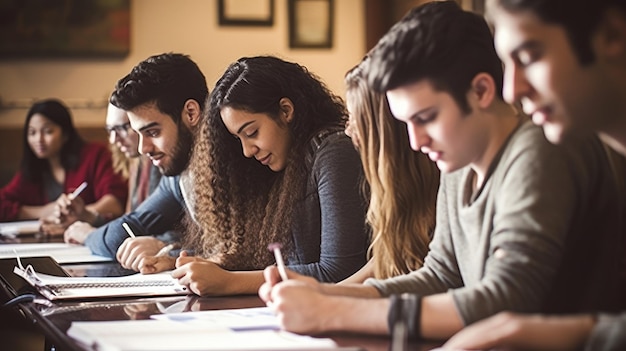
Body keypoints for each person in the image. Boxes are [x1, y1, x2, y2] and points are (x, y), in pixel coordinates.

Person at [258, 1, 623, 341]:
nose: (416, 142)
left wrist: (333, 311)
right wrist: (325, 292)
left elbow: (507, 298)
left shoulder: (540, 149)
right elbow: (441, 275)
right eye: (407, 124)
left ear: (481, 91)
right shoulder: (458, 164)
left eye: (427, 118)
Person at [442, 0, 626, 350]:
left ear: (612, 35)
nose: (513, 90)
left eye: (528, 57)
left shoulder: (542, 149)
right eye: (506, 64)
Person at [149, 55, 369, 296]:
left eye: (252, 132)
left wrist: (229, 282)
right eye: (238, 139)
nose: (247, 151)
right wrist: (202, 262)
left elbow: (339, 271)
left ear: (286, 110)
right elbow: (263, 255)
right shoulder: (279, 165)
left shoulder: (334, 152)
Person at [81, 52, 209, 270]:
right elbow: (126, 229)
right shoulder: (179, 175)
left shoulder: (239, 159)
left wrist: (166, 249)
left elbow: (248, 252)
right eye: (138, 134)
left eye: (153, 132)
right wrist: (88, 235)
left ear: (191, 113)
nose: (143, 148)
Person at [341, 57, 439, 283]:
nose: (348, 130)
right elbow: (380, 262)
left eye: (355, 119)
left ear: (383, 131)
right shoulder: (392, 187)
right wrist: (323, 294)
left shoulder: (442, 190)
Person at [0, 99, 127, 233]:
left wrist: (76, 216)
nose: (38, 140)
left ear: (65, 134)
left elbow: (114, 205)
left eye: (47, 131)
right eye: (32, 133)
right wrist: (44, 211)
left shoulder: (95, 155)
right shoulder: (33, 168)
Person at [64, 102, 162, 244]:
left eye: (122, 128)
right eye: (110, 130)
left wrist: (90, 235)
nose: (113, 139)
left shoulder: (159, 163)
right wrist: (88, 217)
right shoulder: (136, 161)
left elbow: (144, 231)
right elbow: (132, 222)